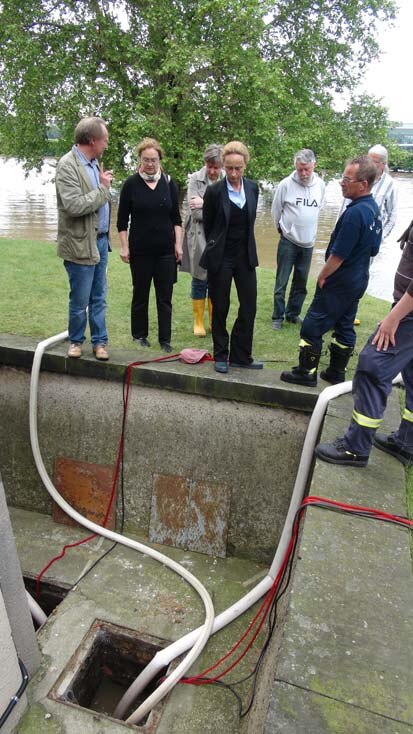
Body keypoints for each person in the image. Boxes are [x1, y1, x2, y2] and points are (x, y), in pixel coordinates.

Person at [315, 219, 413, 468]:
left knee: (373, 365)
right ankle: (406, 442)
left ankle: (355, 448)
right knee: (411, 371)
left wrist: (394, 318)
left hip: (408, 314)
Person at [281, 156, 382, 387]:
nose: (342, 183)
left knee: (311, 326)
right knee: (345, 325)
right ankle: (336, 372)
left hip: (340, 281)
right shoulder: (373, 210)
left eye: (347, 179)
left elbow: (339, 255)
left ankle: (306, 373)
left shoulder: (355, 214)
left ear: (363, 184)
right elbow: (374, 249)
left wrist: (323, 275)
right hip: (358, 279)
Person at [200, 140, 261, 374]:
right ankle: (221, 354)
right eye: (229, 168)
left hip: (245, 256)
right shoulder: (214, 191)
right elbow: (209, 226)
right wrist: (216, 249)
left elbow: (250, 221)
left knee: (249, 306)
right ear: (223, 166)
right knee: (221, 306)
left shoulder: (253, 188)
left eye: (238, 168)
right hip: (222, 258)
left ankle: (241, 355)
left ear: (245, 165)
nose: (233, 173)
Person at [117, 137, 182, 353]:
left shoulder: (169, 182)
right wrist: (125, 247)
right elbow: (121, 221)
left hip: (165, 251)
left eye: (154, 160)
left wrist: (178, 245)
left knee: (165, 297)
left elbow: (176, 219)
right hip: (140, 251)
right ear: (140, 160)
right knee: (141, 294)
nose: (150, 164)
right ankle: (140, 335)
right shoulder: (130, 184)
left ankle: (165, 339)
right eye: (146, 160)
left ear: (159, 159)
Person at [56, 116, 113, 361]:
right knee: (80, 299)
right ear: (92, 140)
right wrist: (103, 190)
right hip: (79, 243)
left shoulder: (94, 163)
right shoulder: (67, 165)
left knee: (99, 297)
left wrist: (106, 188)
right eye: (105, 139)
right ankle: (76, 342)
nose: (107, 144)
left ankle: (100, 343)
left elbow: (101, 200)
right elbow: (73, 206)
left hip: (100, 242)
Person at [337, 144, 397, 326]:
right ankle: (335, 313)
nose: (369, 163)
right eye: (368, 158)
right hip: (346, 234)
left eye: (374, 161)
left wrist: (377, 238)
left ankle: (347, 315)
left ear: (383, 164)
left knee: (356, 279)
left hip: (365, 244)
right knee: (337, 274)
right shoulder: (355, 180)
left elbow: (392, 215)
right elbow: (344, 206)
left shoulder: (390, 185)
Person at [271, 149, 325, 330]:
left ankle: (292, 314)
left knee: (301, 282)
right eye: (300, 169)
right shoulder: (285, 184)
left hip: (308, 243)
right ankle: (277, 316)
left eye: (307, 169)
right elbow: (275, 211)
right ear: (295, 166)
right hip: (288, 241)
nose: (303, 173)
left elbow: (319, 210)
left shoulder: (321, 185)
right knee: (282, 281)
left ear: (314, 166)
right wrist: (282, 230)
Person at [181, 145, 223, 337]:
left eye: (216, 167)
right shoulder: (195, 180)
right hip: (198, 236)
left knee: (217, 279)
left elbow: (228, 211)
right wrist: (216, 208)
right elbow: (195, 212)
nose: (212, 171)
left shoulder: (227, 179)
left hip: (219, 237)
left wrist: (205, 203)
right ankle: (198, 322)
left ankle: (215, 320)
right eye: (209, 166)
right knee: (199, 279)